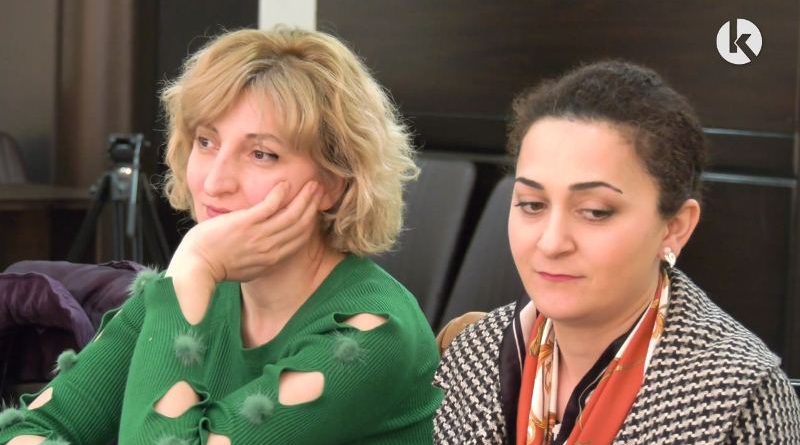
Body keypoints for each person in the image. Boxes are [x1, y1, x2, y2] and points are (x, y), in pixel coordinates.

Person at [0, 27, 442, 445]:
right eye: (206, 142)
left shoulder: (371, 334)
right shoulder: (188, 290)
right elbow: (35, 426)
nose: (214, 182)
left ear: (334, 183)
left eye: (261, 154)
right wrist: (194, 273)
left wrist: (195, 264)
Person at [433, 61, 800, 444]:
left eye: (595, 211)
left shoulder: (741, 398)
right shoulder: (474, 353)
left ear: (675, 227)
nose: (552, 242)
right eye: (532, 204)